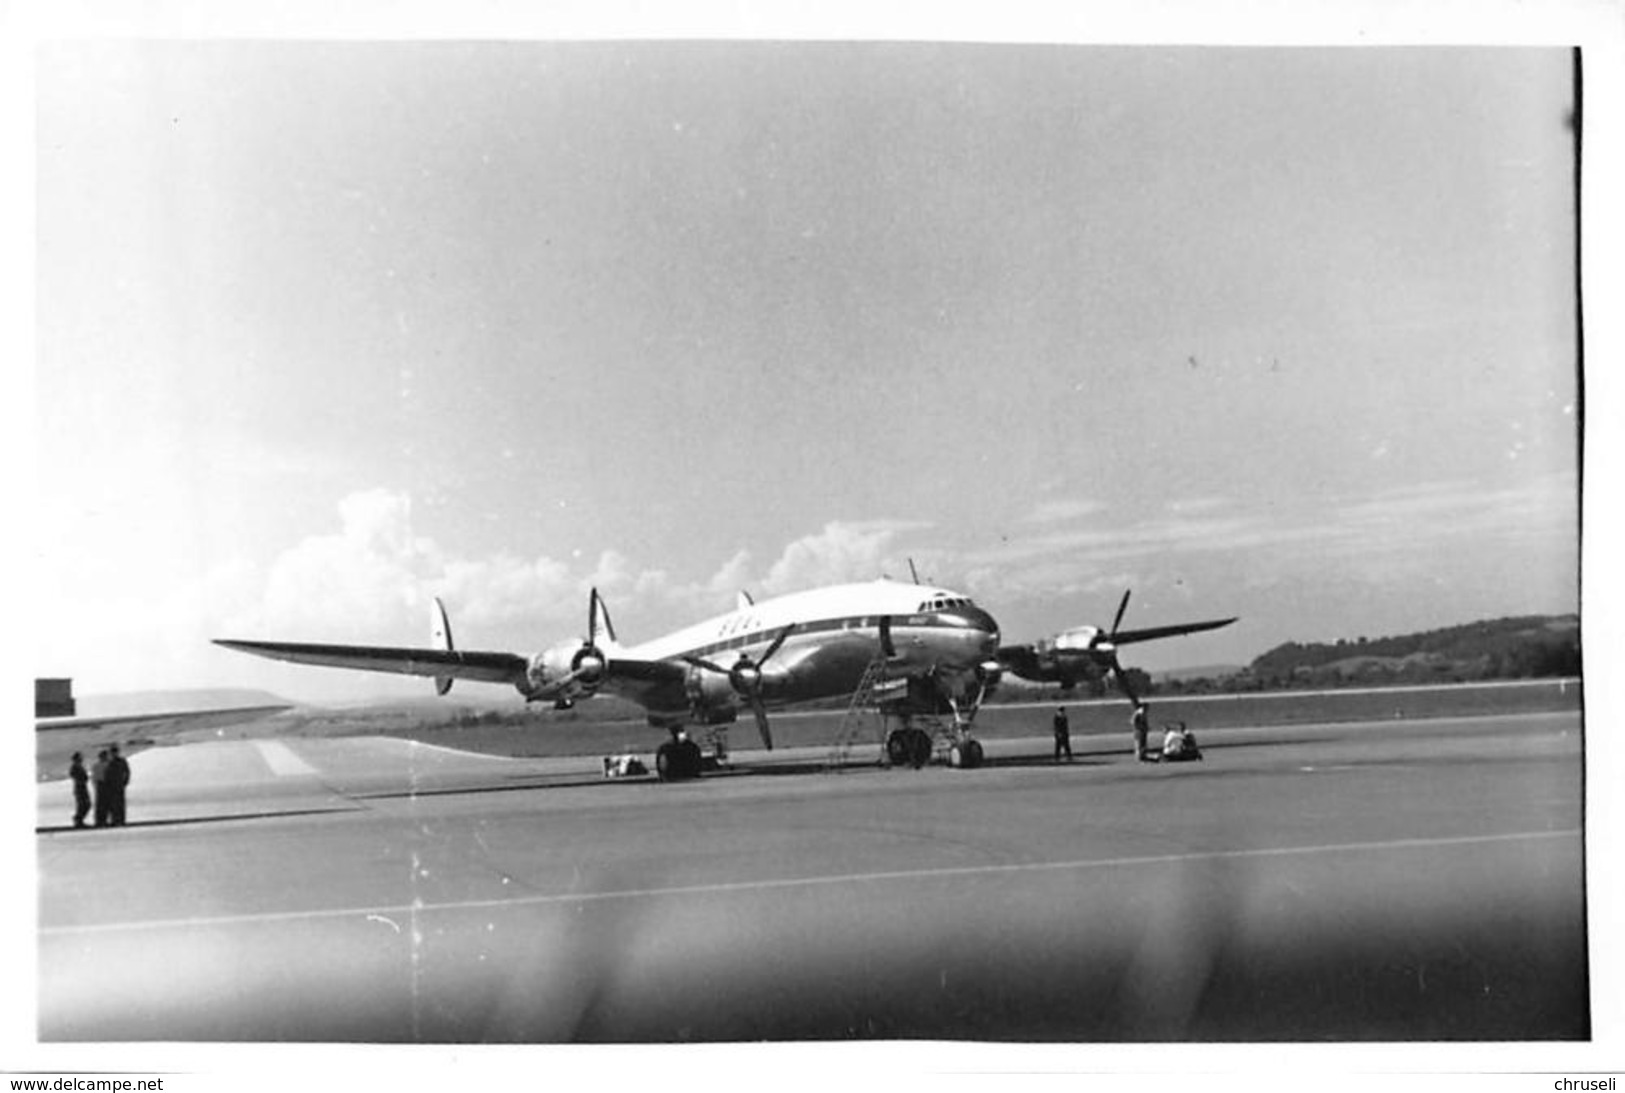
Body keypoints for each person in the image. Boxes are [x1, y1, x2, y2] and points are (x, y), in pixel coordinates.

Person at [106, 744, 131, 827]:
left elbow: (127, 771)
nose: (114, 754)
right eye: (112, 752)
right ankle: (114, 819)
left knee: (121, 803)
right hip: (111, 785)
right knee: (112, 804)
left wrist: (125, 781)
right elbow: (105, 774)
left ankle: (121, 819)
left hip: (119, 784)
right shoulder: (108, 762)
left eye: (115, 752)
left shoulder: (122, 761)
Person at [69, 752, 91, 829]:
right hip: (79, 788)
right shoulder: (75, 767)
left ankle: (79, 819)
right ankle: (78, 819)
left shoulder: (80, 767)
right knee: (83, 804)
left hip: (83, 787)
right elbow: (74, 776)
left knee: (86, 804)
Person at [91, 749, 111, 827]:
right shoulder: (106, 764)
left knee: (100, 804)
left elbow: (94, 777)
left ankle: (100, 820)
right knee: (104, 803)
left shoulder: (96, 765)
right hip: (104, 784)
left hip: (100, 784)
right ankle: (102, 820)